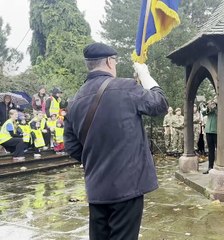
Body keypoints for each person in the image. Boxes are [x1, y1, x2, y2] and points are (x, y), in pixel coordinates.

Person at [64, 42, 168, 240]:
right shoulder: (126, 87)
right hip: (127, 187)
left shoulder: (74, 101)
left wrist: (97, 160)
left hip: (96, 187)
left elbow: (72, 147)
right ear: (110, 62)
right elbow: (159, 104)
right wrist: (145, 75)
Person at [201, 99, 217, 174]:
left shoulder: (219, 108)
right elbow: (203, 113)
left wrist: (216, 107)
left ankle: (218, 166)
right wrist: (208, 107)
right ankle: (210, 167)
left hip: (217, 131)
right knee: (211, 150)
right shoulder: (209, 109)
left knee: (219, 150)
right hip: (208, 131)